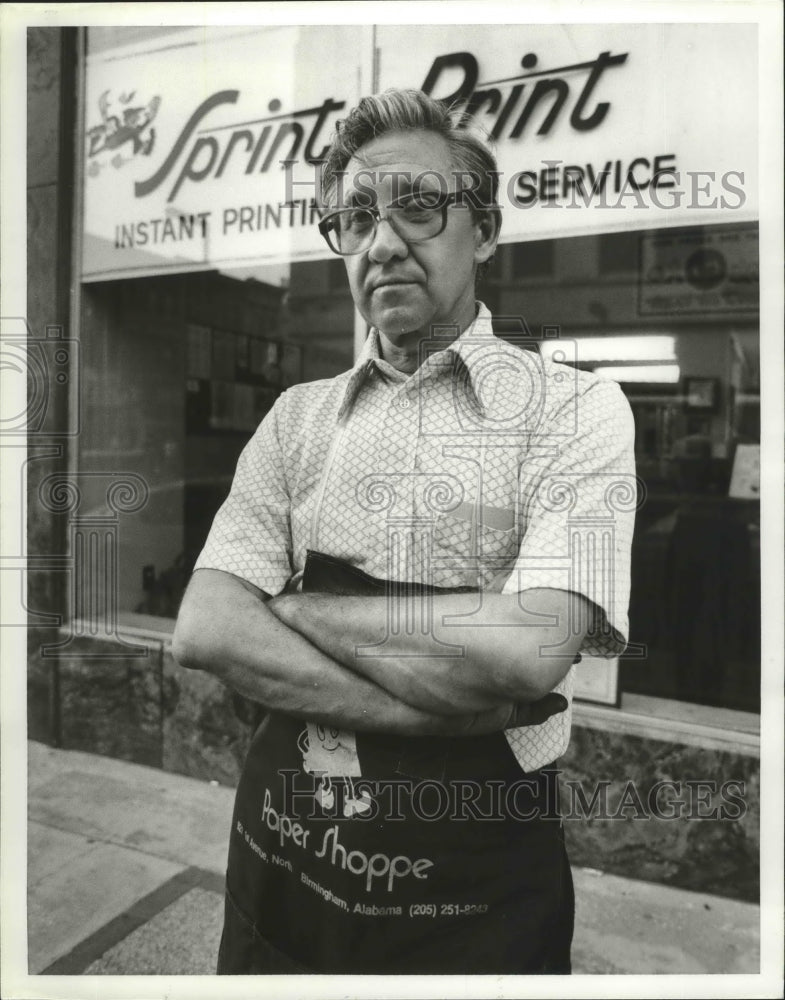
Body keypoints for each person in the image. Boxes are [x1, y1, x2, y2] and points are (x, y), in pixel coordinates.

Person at [173, 88, 636, 975]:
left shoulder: (574, 410)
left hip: (475, 898)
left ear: (486, 230)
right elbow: (203, 628)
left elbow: (530, 649)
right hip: (285, 861)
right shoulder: (292, 420)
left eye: (418, 207)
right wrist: (446, 711)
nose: (382, 242)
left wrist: (292, 607)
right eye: (354, 217)